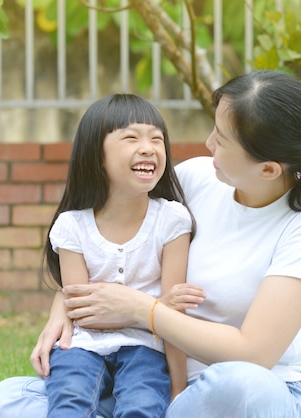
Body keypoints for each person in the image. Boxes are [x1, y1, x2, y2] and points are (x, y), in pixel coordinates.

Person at [0, 70, 301, 418]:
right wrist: (64, 307)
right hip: (153, 376)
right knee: (7, 398)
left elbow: (253, 355)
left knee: (244, 387)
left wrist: (140, 310)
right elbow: (111, 239)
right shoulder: (199, 178)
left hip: (239, 393)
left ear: (268, 169)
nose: (206, 145)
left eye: (220, 141)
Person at [37, 93, 194, 418]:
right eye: (131, 138)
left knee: (143, 405)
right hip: (81, 346)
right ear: (96, 155)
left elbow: (174, 318)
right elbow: (84, 314)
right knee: (69, 400)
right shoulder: (72, 226)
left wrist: (179, 390)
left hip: (145, 348)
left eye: (157, 139)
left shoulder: (172, 220)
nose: (149, 147)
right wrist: (153, 309)